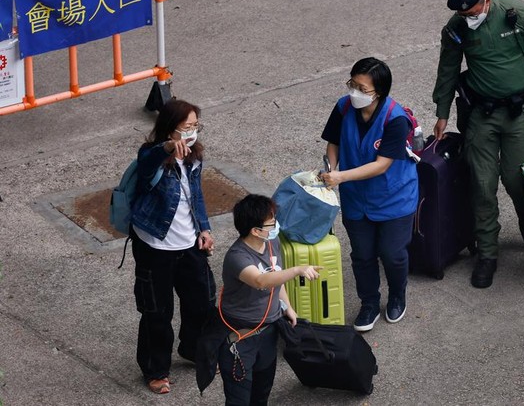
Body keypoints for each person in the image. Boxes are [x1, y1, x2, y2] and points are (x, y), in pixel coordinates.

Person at [432, 0, 524, 288]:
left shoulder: (517, 13)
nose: (469, 19)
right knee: (482, 184)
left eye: (472, 13)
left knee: (517, 177)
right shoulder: (456, 29)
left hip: (518, 112)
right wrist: (442, 113)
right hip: (481, 114)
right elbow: (448, 70)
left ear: (487, 1)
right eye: (464, 15)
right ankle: (488, 254)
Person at [320, 57, 419, 332]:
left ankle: (397, 295)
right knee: (362, 254)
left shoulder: (396, 119)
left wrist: (340, 177)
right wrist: (331, 167)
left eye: (362, 89)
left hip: (394, 197)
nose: (355, 93)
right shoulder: (343, 107)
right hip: (356, 197)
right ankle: (369, 303)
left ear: (380, 92)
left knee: (393, 253)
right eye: (353, 84)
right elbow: (334, 142)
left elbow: (382, 164)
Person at [195, 194, 321, 405]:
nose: (276, 225)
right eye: (271, 222)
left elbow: (275, 277)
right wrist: (298, 269)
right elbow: (261, 280)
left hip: (268, 332)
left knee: (262, 393)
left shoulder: (272, 242)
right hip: (240, 337)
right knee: (239, 399)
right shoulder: (237, 257)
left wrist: (287, 306)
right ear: (255, 230)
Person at [130, 98, 217, 394]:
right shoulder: (152, 155)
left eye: (196, 126)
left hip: (189, 243)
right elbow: (146, 165)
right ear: (169, 129)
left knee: (201, 302)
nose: (192, 133)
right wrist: (166, 148)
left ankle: (192, 348)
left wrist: (204, 228)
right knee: (157, 311)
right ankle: (156, 369)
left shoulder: (195, 156)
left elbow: (197, 196)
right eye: (186, 127)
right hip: (155, 245)